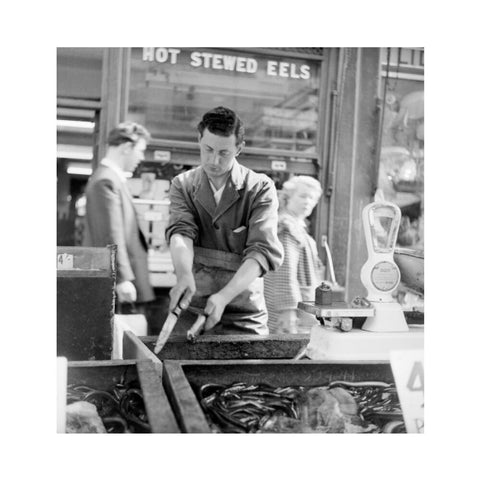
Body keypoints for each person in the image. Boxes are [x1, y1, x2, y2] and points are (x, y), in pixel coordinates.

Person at [165, 106, 283, 334]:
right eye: (208, 149)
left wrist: (224, 297)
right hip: (192, 305)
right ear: (199, 139)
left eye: (224, 153)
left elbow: (261, 251)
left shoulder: (259, 187)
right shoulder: (183, 184)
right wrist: (183, 274)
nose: (214, 160)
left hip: (244, 312)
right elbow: (181, 233)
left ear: (239, 148)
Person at [83, 122, 155, 311]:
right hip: (120, 284)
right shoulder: (105, 181)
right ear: (126, 148)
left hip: (124, 281)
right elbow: (110, 234)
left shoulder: (111, 179)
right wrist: (121, 279)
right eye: (140, 150)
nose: (141, 157)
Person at [264, 176, 325, 334]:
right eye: (302, 196)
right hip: (290, 313)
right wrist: (288, 310)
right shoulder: (286, 227)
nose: (307, 202)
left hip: (301, 308)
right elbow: (284, 270)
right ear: (287, 197)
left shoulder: (296, 226)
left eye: (312, 198)